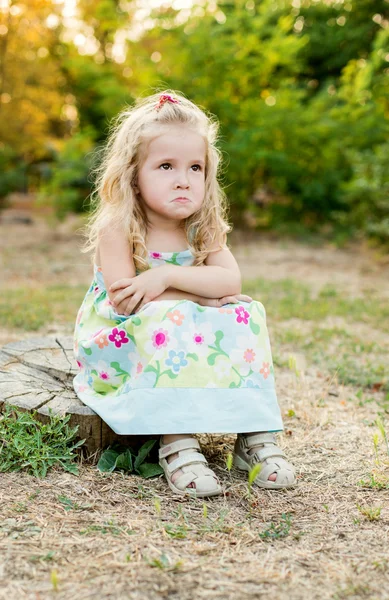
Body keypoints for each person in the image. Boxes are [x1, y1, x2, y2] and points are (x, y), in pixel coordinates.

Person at [73, 90, 296, 498]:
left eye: (196, 167)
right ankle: (176, 441)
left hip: (179, 331)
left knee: (246, 313)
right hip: (121, 342)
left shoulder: (201, 226)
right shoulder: (118, 227)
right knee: (172, 317)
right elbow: (126, 302)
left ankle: (254, 436)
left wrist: (166, 278)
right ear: (133, 175)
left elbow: (230, 282)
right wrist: (197, 299)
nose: (183, 179)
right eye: (165, 166)